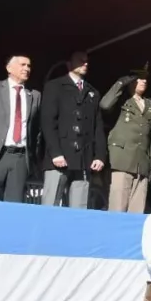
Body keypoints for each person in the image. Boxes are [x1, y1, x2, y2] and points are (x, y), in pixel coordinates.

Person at [41, 51, 106, 208]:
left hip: (84, 158)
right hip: (59, 157)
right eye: (80, 60)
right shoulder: (55, 86)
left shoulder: (92, 92)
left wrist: (99, 155)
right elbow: (47, 122)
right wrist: (55, 152)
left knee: (79, 207)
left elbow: (97, 126)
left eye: (86, 61)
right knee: (51, 204)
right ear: (69, 64)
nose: (85, 63)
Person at [0, 55, 41, 202]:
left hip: (20, 158)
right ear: (9, 68)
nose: (27, 69)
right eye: (22, 65)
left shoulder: (34, 95)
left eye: (29, 66)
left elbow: (36, 130)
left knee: (14, 205)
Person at [101, 65, 151, 213]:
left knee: (137, 212)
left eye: (145, 78)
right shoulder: (122, 100)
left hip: (142, 164)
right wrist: (120, 83)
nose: (143, 81)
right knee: (117, 208)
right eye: (139, 78)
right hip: (122, 161)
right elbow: (104, 105)